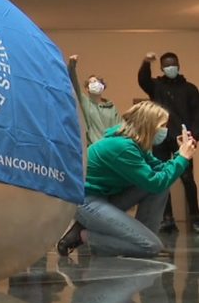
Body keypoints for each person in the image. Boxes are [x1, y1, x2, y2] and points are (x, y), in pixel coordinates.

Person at [57, 101, 196, 258]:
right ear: (149, 125)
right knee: (151, 246)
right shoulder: (122, 147)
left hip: (105, 198)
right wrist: (183, 157)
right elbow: (156, 182)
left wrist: (180, 153)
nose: (165, 130)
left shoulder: (135, 144)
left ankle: (141, 241)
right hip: (86, 202)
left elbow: (160, 172)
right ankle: (85, 236)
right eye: (162, 125)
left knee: (162, 185)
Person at [138, 51, 199, 233]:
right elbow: (143, 80)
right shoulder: (156, 86)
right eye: (166, 65)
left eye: (173, 64)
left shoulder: (190, 89)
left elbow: (197, 115)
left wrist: (194, 136)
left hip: (183, 139)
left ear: (178, 65)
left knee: (188, 179)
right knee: (162, 178)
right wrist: (146, 62)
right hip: (161, 138)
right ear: (162, 68)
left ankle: (196, 217)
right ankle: (167, 218)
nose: (170, 67)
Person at [67, 55, 121, 146]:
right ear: (87, 89)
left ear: (102, 86)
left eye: (96, 81)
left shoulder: (112, 108)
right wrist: (72, 66)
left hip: (111, 147)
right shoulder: (85, 103)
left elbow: (120, 128)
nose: (94, 84)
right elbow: (74, 84)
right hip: (94, 147)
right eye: (91, 83)